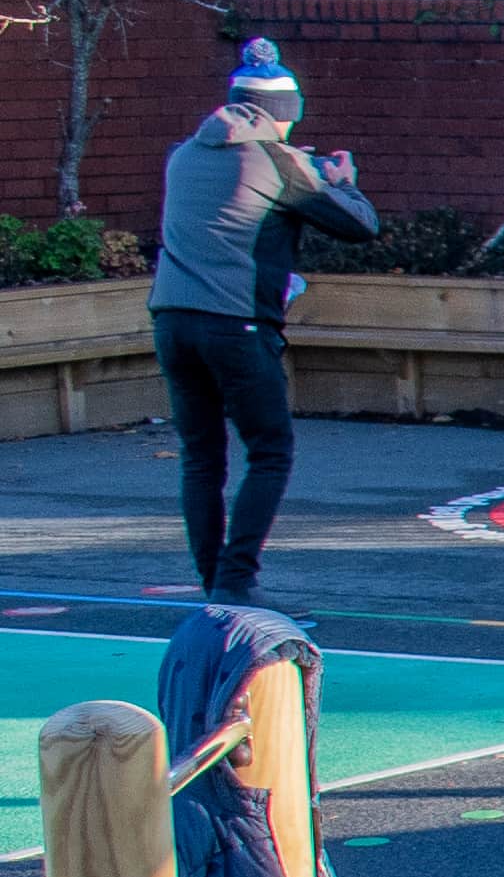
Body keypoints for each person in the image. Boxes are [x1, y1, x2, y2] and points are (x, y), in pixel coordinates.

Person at [147, 37, 377, 604]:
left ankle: (213, 587)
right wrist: (341, 180)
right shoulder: (282, 161)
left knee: (202, 458)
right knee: (270, 451)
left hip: (172, 321)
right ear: (285, 114)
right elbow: (358, 226)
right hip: (237, 325)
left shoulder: (184, 155)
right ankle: (237, 582)